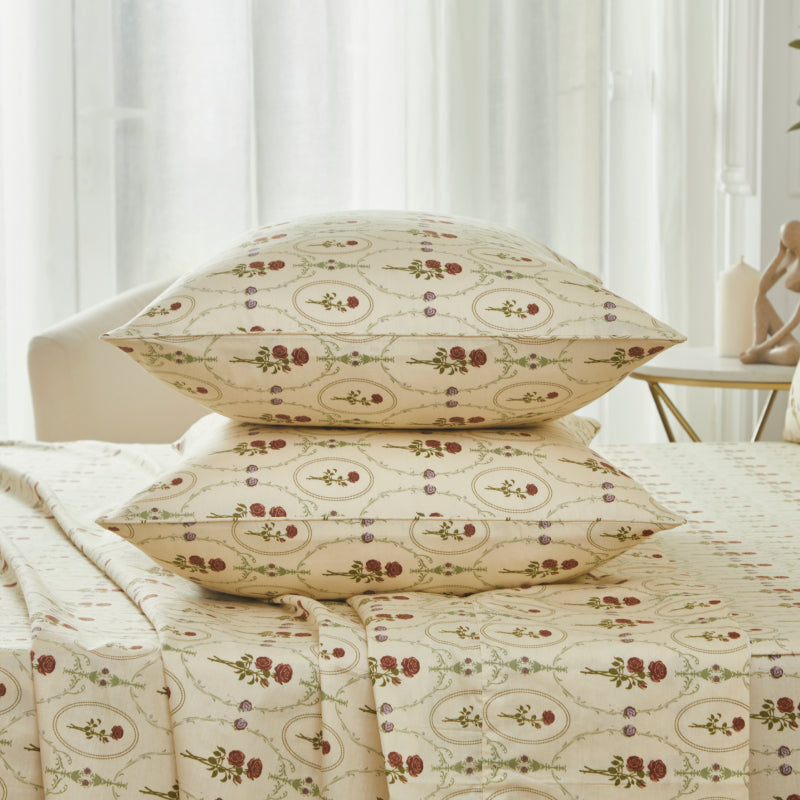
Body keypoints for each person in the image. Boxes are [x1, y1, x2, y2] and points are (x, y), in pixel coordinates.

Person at [740, 220, 800, 366]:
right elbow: (763, 288)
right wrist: (780, 254)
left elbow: (794, 322)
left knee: (793, 354)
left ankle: (761, 355)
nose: (786, 239)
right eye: (784, 236)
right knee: (760, 301)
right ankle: (756, 348)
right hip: (771, 341)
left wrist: (762, 349)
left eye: (791, 235)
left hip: (788, 339)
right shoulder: (790, 257)